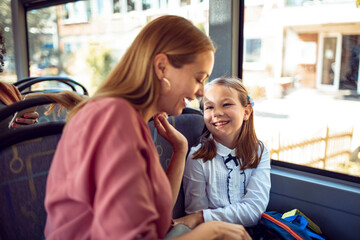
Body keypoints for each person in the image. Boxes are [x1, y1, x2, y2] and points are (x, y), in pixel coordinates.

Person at [44, 15, 251, 240]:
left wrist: (180, 150)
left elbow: (155, 218)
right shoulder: (113, 121)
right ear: (162, 67)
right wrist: (212, 230)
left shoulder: (133, 122)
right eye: (199, 79)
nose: (200, 93)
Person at [178, 76, 271, 229]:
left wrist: (203, 217)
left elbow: (255, 210)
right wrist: (200, 217)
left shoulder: (259, 152)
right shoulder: (197, 157)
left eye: (226, 104)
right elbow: (194, 217)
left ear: (246, 112)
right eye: (209, 107)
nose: (217, 113)